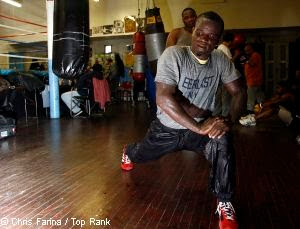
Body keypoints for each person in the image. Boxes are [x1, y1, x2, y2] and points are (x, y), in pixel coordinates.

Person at [121, 11, 247, 229]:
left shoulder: (220, 60)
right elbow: (162, 97)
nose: (205, 40)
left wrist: (229, 120)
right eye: (201, 33)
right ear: (193, 33)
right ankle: (128, 152)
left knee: (222, 139)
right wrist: (198, 126)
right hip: (167, 129)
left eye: (212, 36)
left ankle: (224, 202)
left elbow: (239, 92)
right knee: (142, 154)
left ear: (218, 40)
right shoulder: (174, 55)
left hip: (200, 127)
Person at [215, 32, 237, 117]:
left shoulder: (220, 47)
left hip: (220, 77)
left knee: (220, 98)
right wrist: (236, 55)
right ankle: (225, 116)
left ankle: (217, 115)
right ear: (231, 41)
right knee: (226, 98)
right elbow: (229, 62)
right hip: (225, 78)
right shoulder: (224, 48)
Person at [244, 43, 264, 113]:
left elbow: (252, 64)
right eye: (245, 50)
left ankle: (250, 114)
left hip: (253, 81)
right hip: (255, 81)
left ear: (251, 49)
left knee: (251, 99)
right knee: (259, 98)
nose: (246, 52)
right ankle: (262, 111)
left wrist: (245, 60)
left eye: (248, 50)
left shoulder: (255, 55)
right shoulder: (253, 55)